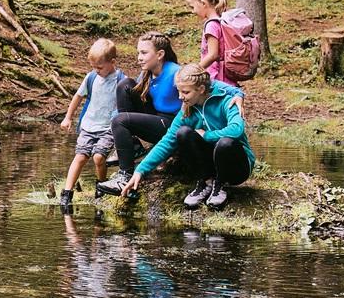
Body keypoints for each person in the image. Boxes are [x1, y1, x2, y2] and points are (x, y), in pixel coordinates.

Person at [96, 32, 244, 198]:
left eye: (144, 53)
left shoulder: (176, 73)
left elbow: (208, 83)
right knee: (125, 86)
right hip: (159, 119)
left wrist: (238, 94)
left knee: (121, 120)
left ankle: (126, 174)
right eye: (138, 52)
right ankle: (133, 148)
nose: (139, 57)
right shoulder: (147, 74)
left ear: (160, 54)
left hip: (174, 121)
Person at [118, 63, 256, 209]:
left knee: (225, 143)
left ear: (201, 89)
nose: (180, 97)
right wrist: (141, 170)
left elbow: (237, 130)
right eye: (179, 91)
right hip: (212, 163)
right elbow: (167, 141)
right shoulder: (187, 109)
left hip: (237, 168)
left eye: (185, 92)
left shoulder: (227, 101)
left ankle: (220, 185)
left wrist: (207, 135)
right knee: (182, 133)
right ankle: (205, 182)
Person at [59, 38, 127, 209]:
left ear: (112, 62)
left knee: (98, 157)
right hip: (89, 125)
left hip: (108, 127)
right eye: (94, 67)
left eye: (100, 67)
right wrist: (68, 117)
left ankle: (101, 185)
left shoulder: (121, 79)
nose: (96, 70)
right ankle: (67, 192)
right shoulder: (91, 78)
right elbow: (78, 96)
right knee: (80, 157)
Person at [185, 0, 237, 86]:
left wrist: (194, 71)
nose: (193, 11)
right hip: (223, 78)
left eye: (192, 7)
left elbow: (213, 55)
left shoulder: (211, 25)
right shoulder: (219, 20)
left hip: (218, 79)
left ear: (203, 3)